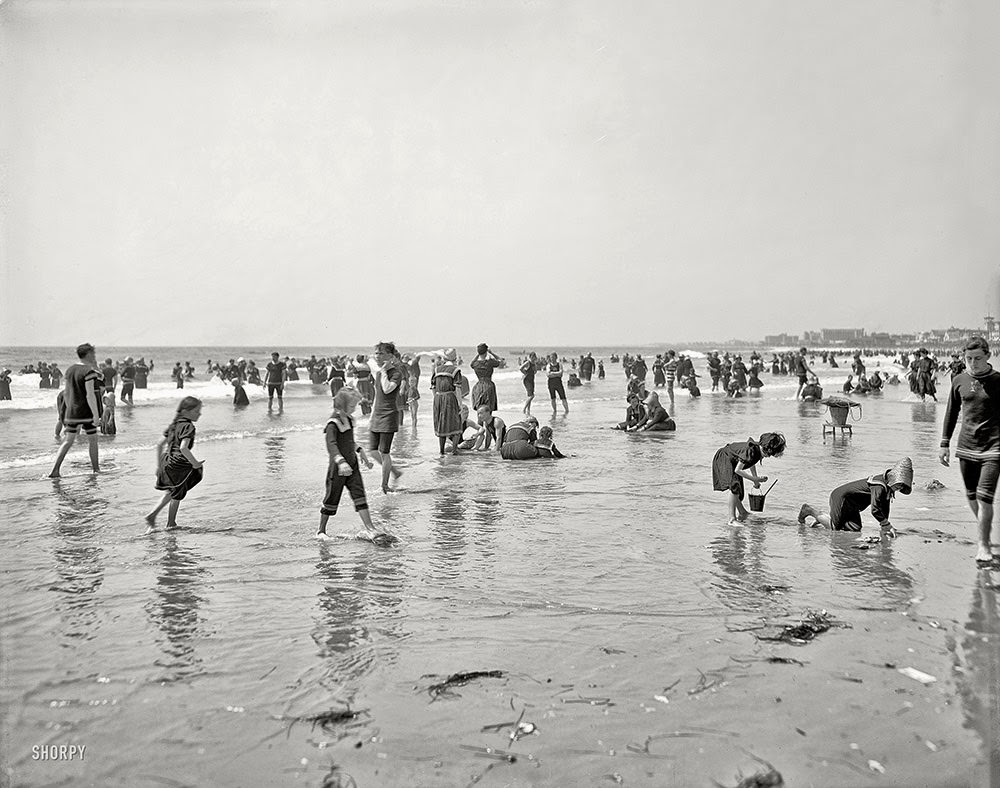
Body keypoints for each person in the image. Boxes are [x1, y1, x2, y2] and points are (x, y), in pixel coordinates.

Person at [940, 336, 1000, 564]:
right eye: (968, 359)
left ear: (988, 356)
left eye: (977, 358)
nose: (973, 363)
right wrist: (944, 443)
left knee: (986, 499)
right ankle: (984, 530)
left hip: (994, 448)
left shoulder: (998, 381)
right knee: (972, 497)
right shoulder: (959, 380)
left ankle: (983, 545)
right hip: (966, 447)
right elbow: (951, 413)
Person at [316, 389, 382, 539]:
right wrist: (341, 462)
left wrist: (361, 451)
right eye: (352, 406)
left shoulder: (350, 420)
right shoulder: (333, 424)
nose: (354, 409)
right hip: (338, 468)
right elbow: (332, 445)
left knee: (359, 495)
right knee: (332, 497)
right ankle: (321, 530)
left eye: (355, 406)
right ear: (342, 405)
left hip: (353, 465)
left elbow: (349, 442)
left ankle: (370, 528)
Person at [798, 458, 912, 537]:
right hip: (841, 498)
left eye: (902, 486)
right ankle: (809, 510)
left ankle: (824, 519)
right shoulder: (879, 486)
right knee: (834, 528)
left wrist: (885, 525)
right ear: (893, 478)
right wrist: (885, 524)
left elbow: (884, 508)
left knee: (854, 529)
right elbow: (875, 509)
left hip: (852, 505)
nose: (899, 488)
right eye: (899, 484)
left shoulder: (887, 488)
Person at [144, 397, 205, 530]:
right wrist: (195, 463)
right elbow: (183, 448)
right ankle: (168, 521)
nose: (199, 414)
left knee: (173, 491)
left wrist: (159, 465)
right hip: (179, 463)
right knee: (178, 490)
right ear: (185, 411)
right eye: (196, 411)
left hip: (167, 460)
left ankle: (155, 516)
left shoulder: (174, 424)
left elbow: (160, 444)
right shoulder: (188, 426)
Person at [49, 343, 103, 477]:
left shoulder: (70, 370)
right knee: (93, 440)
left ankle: (55, 470)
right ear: (89, 354)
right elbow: (90, 395)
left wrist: (69, 409)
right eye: (93, 354)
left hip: (72, 411)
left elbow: (67, 393)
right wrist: (96, 416)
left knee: (68, 441)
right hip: (86, 412)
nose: (94, 356)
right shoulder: (88, 372)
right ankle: (96, 469)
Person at [712, 432, 786, 524]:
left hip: (732, 462)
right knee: (734, 487)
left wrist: (755, 480)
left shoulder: (757, 451)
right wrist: (755, 479)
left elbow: (751, 463)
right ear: (766, 448)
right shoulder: (751, 450)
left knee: (738, 490)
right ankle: (732, 519)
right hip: (724, 459)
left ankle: (742, 512)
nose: (768, 456)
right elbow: (738, 470)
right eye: (770, 453)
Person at [368, 341, 404, 493]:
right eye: (376, 353)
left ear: (389, 355)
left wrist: (383, 372)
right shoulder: (378, 373)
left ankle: (384, 485)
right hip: (377, 414)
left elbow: (388, 389)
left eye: (380, 353)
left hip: (389, 415)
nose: (377, 356)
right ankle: (395, 472)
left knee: (385, 452)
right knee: (372, 451)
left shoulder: (396, 373)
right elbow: (378, 394)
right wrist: (371, 414)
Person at [431, 349, 464, 454]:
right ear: (454, 359)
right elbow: (458, 388)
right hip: (449, 397)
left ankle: (441, 451)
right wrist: (460, 404)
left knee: (441, 424)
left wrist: (436, 398)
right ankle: (454, 450)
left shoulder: (437, 370)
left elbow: (433, 387)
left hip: (437, 398)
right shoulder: (455, 370)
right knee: (456, 424)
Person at [470, 343, 502, 414]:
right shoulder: (490, 362)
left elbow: (471, 363)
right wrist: (491, 353)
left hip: (478, 386)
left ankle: (479, 425)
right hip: (488, 386)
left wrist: (478, 354)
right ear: (486, 351)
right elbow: (500, 361)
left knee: (480, 412)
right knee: (488, 411)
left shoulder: (475, 364)